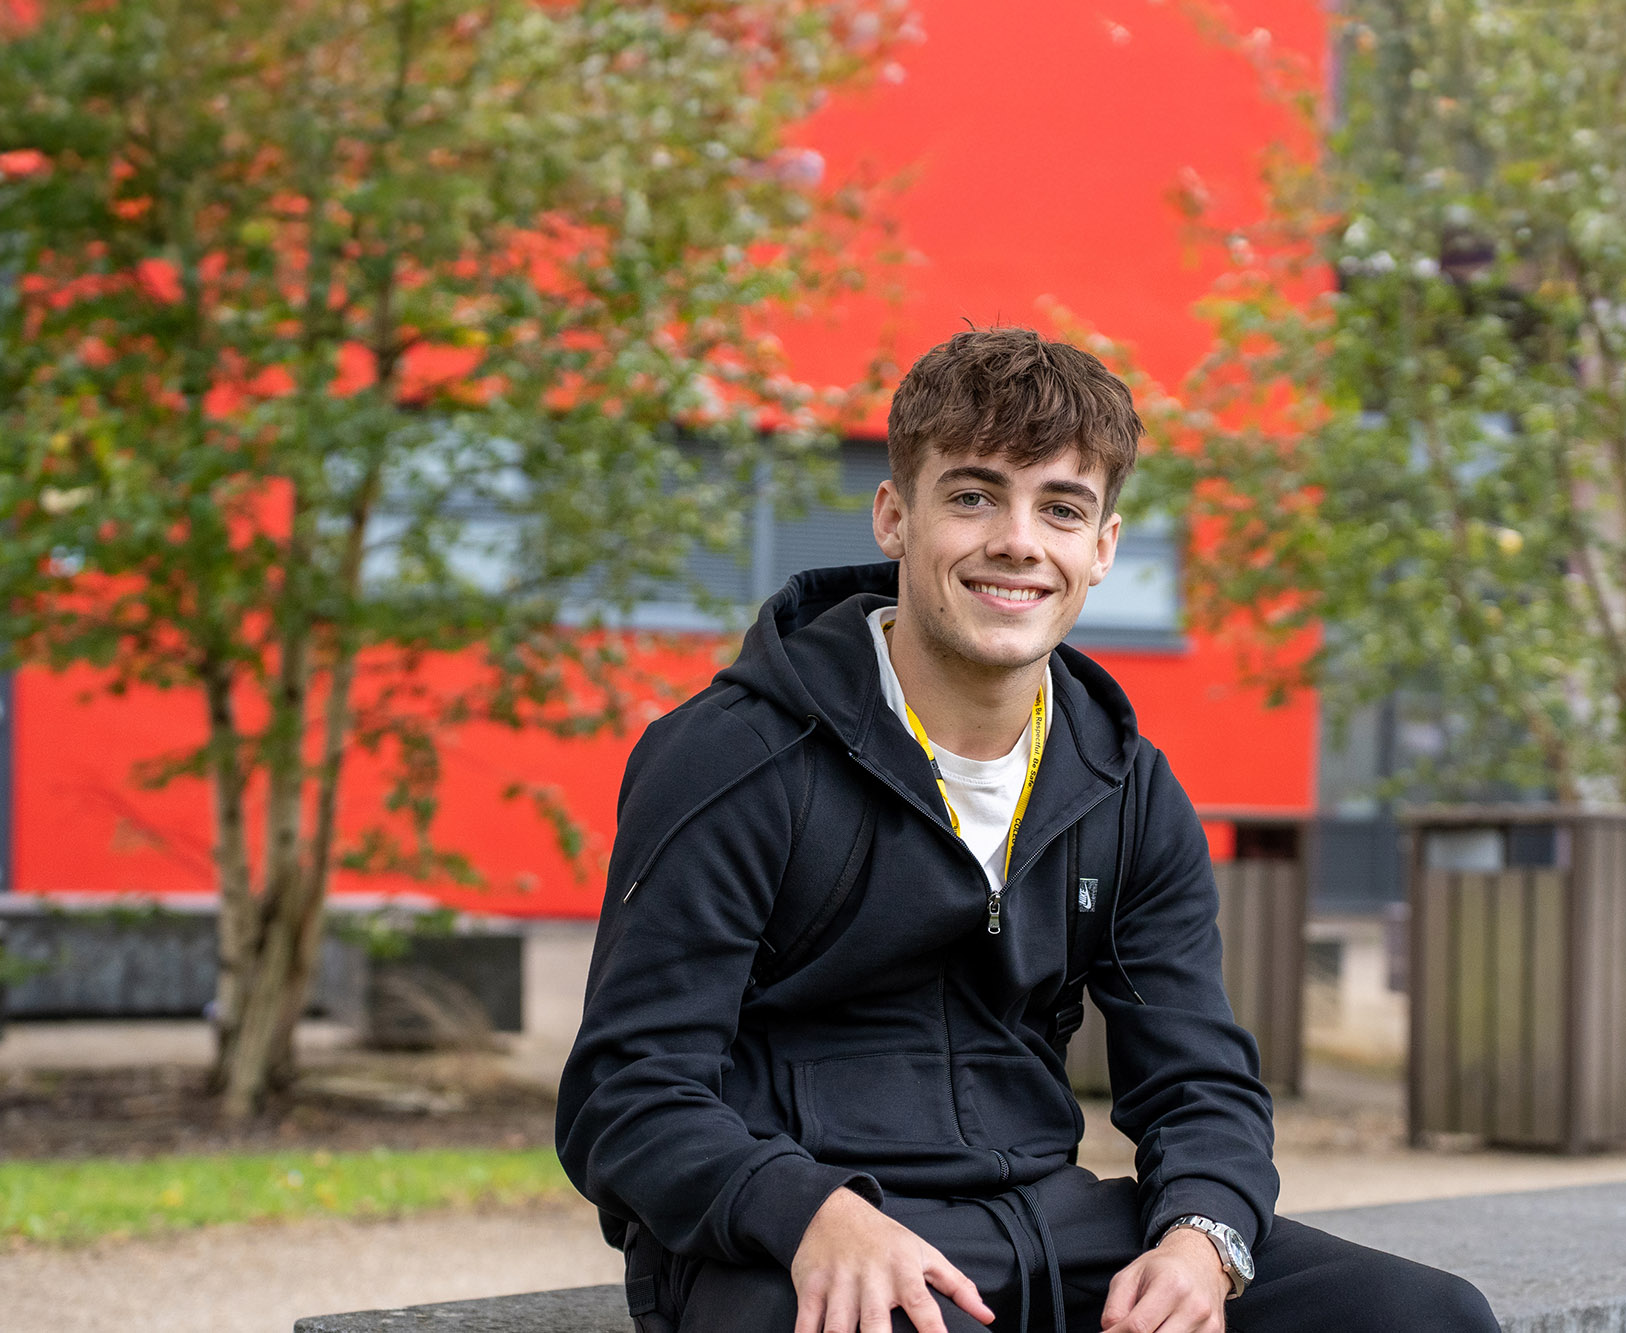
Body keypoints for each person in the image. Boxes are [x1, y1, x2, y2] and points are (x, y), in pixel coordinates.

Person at [556, 327, 1500, 1333]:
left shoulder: (1123, 786)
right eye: (973, 496)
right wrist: (810, 1211)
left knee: (1430, 1316)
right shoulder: (732, 757)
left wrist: (1200, 1238)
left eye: (1060, 508)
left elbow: (1197, 1079)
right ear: (894, 517)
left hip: (1042, 1225)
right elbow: (626, 1093)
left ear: (1102, 546)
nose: (1018, 540)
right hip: (789, 1243)